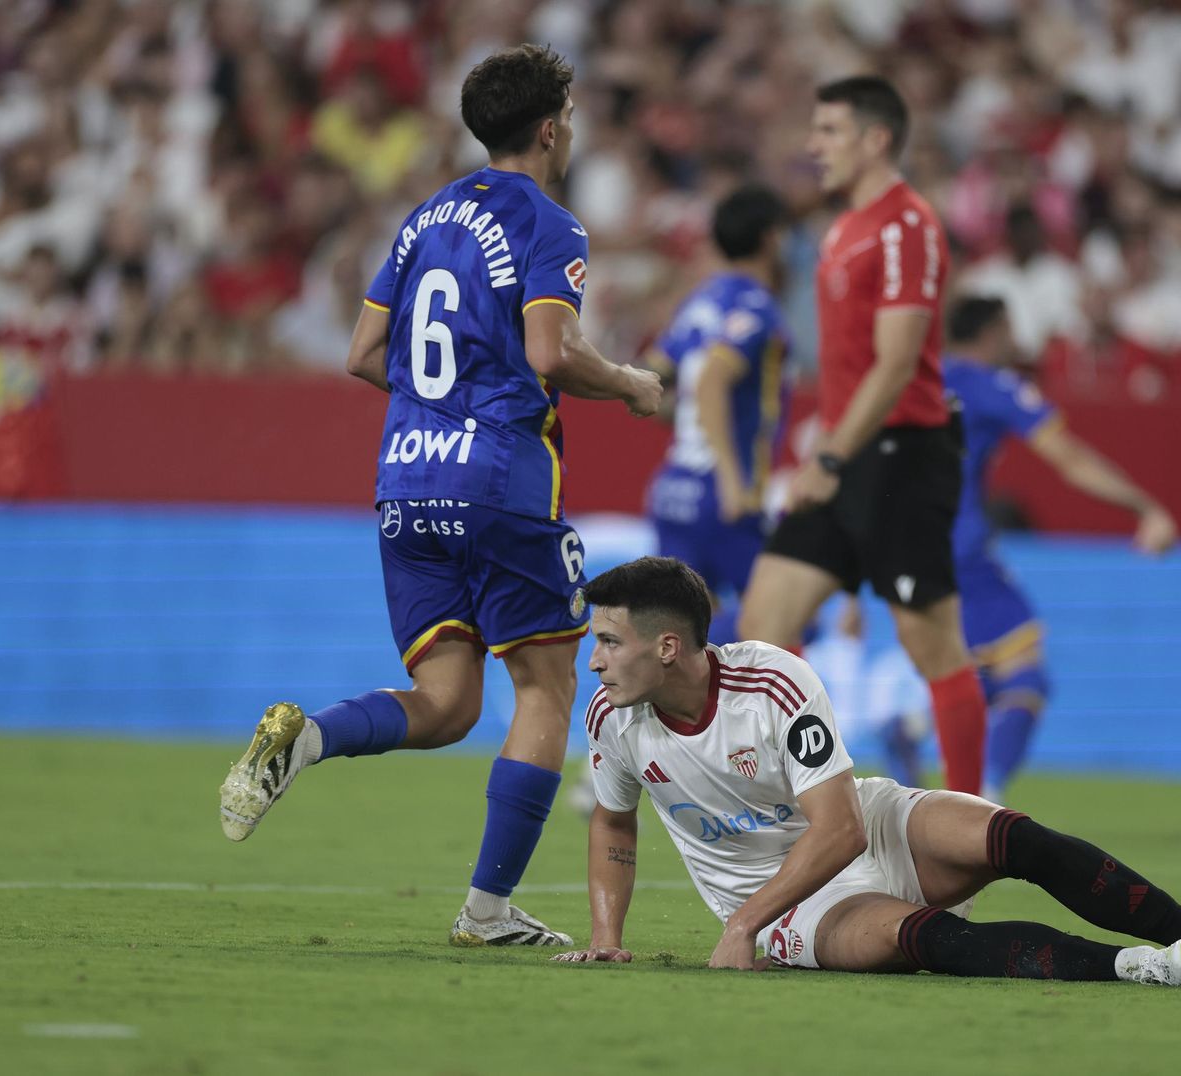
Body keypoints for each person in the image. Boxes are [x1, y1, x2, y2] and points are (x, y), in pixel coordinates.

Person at [217, 45, 663, 947]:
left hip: (406, 479)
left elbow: (360, 355)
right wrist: (627, 383)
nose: (571, 130)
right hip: (499, 479)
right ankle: (487, 912)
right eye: (569, 116)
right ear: (549, 127)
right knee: (544, 685)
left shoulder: (425, 218)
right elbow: (549, 352)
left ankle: (304, 739)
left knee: (451, 698)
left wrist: (440, 411)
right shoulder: (552, 224)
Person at [556, 556, 1181, 986]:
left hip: (857, 828)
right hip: (789, 907)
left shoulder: (773, 682)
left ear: (667, 648)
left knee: (1020, 841)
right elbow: (614, 819)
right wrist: (607, 930)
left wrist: (737, 929)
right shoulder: (611, 720)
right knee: (931, 939)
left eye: (609, 642)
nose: (594, 660)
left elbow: (841, 830)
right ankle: (1142, 966)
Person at [737, 76, 990, 795]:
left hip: (902, 456)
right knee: (763, 624)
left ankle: (972, 830)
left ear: (876, 139)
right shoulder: (841, 229)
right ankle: (816, 807)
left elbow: (899, 361)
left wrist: (828, 453)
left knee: (930, 643)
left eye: (828, 132)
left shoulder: (906, 226)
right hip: (847, 452)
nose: (812, 146)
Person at [941, 296, 1178, 798]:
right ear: (990, 333)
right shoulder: (991, 386)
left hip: (905, 551)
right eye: (1008, 330)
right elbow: (1067, 457)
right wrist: (1144, 506)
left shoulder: (911, 380)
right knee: (1026, 676)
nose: (1014, 341)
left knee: (965, 676)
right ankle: (984, 793)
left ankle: (913, 741)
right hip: (961, 550)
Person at [645, 185, 792, 644]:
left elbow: (650, 378)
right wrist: (730, 476)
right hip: (723, 495)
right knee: (786, 618)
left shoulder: (700, 301)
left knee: (696, 643)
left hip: (673, 489)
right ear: (772, 238)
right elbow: (711, 381)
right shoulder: (759, 308)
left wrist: (688, 416)